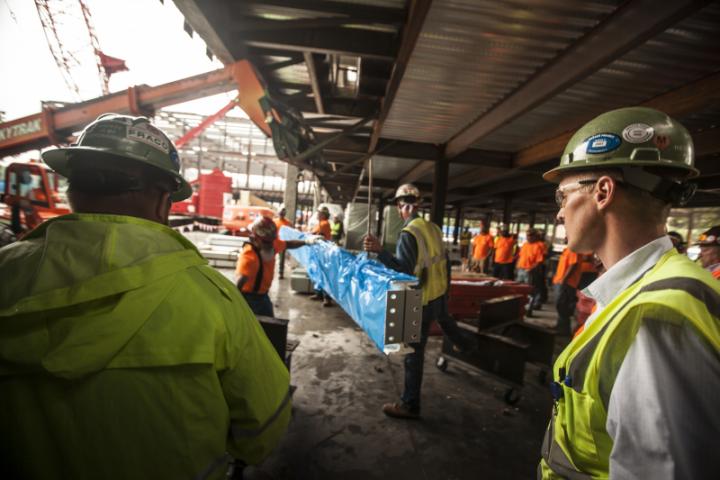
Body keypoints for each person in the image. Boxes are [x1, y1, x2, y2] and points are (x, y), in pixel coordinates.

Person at [0, 114, 292, 479]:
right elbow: (263, 432)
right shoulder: (211, 299)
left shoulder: (6, 274)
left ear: (72, 188)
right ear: (162, 201)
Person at [539, 107, 720, 479]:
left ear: (603, 191)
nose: (559, 214)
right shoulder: (640, 290)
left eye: (562, 196)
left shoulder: (657, 317)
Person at [362, 183, 468, 420]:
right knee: (446, 322)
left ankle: (410, 405)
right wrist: (446, 290)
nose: (400, 211)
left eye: (399, 206)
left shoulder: (409, 233)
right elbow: (445, 263)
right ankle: (468, 348)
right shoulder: (433, 228)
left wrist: (380, 251)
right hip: (437, 293)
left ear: (402, 207)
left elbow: (405, 271)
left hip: (418, 300)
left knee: (414, 353)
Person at [236, 216, 316, 316]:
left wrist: (307, 242)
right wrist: (235, 304)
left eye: (271, 241)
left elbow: (288, 244)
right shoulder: (249, 257)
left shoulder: (271, 245)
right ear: (255, 238)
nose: (270, 245)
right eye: (267, 242)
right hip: (248, 298)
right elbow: (239, 283)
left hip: (263, 296)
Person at [551, 242, 583, 336]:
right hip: (562, 281)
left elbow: (573, 264)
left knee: (563, 305)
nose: (565, 237)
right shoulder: (567, 250)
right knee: (560, 304)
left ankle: (564, 330)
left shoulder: (574, 249)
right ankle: (560, 326)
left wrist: (564, 280)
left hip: (568, 283)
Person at [515, 228, 546, 316]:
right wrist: (517, 266)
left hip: (529, 271)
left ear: (535, 236)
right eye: (527, 235)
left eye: (530, 235)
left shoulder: (538, 246)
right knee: (519, 290)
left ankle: (528, 310)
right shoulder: (525, 245)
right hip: (520, 270)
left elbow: (539, 261)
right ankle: (519, 308)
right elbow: (521, 257)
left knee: (529, 291)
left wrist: (531, 269)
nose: (528, 237)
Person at [309, 206, 334, 306]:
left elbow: (313, 234)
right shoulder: (321, 223)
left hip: (324, 253)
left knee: (324, 274)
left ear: (323, 215)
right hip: (320, 252)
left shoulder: (324, 224)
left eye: (319, 213)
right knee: (319, 273)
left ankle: (327, 298)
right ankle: (319, 293)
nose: (317, 215)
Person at [274, 205, 292, 279]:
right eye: (280, 213)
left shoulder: (287, 223)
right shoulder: (275, 221)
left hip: (282, 243)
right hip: (274, 242)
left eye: (283, 213)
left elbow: (290, 233)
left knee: (282, 260)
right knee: (271, 258)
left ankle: (280, 273)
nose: (281, 214)